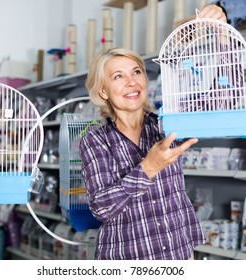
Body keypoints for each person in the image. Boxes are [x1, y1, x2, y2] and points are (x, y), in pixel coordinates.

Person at [79, 5, 227, 260]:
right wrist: (149, 166)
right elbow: (100, 208)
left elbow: (220, 99)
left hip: (178, 253)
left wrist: (223, 36)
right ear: (103, 91)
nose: (131, 82)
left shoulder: (167, 124)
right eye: (118, 76)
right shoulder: (95, 140)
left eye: (136, 72)